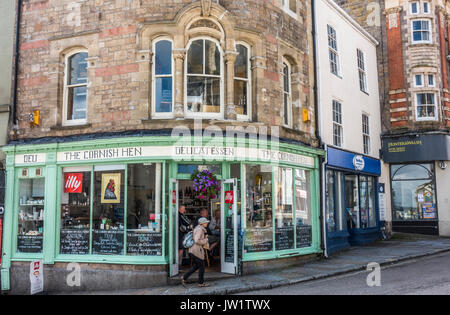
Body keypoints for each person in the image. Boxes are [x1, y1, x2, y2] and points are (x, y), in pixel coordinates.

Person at [181, 217, 210, 287]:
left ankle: (184, 277)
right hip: (196, 250)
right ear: (202, 223)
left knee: (196, 266)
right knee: (202, 266)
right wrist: (205, 240)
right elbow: (197, 240)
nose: (207, 223)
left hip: (193, 250)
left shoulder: (198, 228)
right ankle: (200, 283)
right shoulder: (200, 229)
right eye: (206, 222)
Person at [178, 205, 191, 270]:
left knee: (179, 249)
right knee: (180, 249)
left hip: (177, 234)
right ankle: (177, 265)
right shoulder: (180, 215)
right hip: (179, 234)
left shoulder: (178, 215)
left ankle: (177, 265)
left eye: (184, 209)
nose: (184, 210)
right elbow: (187, 222)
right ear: (179, 209)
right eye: (183, 209)